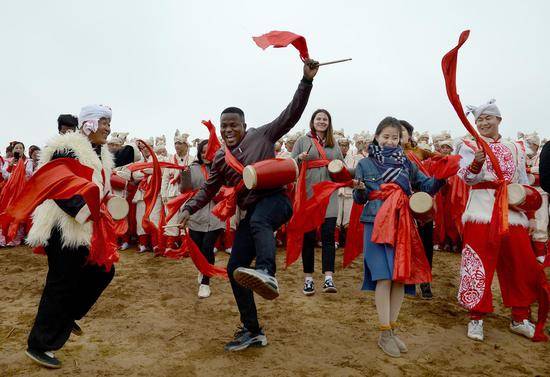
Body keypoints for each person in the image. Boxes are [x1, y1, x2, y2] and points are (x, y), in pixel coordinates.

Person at [179, 58, 319, 351]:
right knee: (234, 268)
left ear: (244, 125)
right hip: (251, 212)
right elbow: (208, 188)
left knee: (258, 222)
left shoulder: (262, 135)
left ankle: (267, 272)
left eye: (234, 125)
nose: (229, 130)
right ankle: (253, 330)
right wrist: (188, 208)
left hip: (276, 202)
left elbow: (291, 114)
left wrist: (306, 81)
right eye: (223, 126)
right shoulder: (219, 159)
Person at [25, 105, 117, 368]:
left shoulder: (101, 155)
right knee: (60, 284)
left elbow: (99, 190)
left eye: (109, 123)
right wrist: (84, 211)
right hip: (62, 227)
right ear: (88, 123)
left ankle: (68, 316)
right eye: (103, 122)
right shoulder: (66, 148)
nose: (108, 128)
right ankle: (40, 345)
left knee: (103, 271)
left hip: (86, 228)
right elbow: (58, 185)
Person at [353, 116, 445, 358]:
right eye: (386, 137)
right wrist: (360, 190)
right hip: (375, 222)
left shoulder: (407, 163)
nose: (390, 141)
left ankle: (391, 330)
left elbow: (427, 186)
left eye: (395, 137)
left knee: (399, 278)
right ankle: (384, 333)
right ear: (376, 136)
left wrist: (446, 172)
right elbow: (360, 199)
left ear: (402, 139)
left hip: (402, 222)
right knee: (384, 277)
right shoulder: (365, 163)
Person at [457, 99, 542, 342]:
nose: (484, 123)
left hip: (512, 212)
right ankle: (476, 318)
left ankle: (520, 316)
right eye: (480, 120)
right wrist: (477, 162)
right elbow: (466, 179)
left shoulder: (516, 147)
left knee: (519, 263)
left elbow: (524, 181)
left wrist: (532, 215)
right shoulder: (469, 145)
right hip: (480, 211)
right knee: (478, 263)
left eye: (488, 118)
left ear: (499, 120)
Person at [292, 109, 343, 295]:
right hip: (308, 195)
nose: (321, 121)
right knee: (309, 238)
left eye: (325, 119)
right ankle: (308, 279)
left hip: (329, 195)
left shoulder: (334, 144)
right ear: (312, 121)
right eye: (318, 118)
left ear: (329, 123)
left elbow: (340, 167)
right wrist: (299, 158)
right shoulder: (302, 141)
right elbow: (291, 166)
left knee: (329, 236)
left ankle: (329, 278)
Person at [180, 140, 225, 298]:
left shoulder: (222, 168)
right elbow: (184, 190)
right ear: (199, 153)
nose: (207, 154)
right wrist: (184, 175)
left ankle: (206, 282)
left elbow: (230, 188)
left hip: (216, 215)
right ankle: (202, 269)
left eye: (210, 150)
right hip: (196, 215)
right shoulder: (193, 168)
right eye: (203, 151)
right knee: (197, 250)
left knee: (207, 247)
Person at [400, 120, 436, 299]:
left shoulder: (421, 152)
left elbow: (438, 162)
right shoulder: (386, 155)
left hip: (421, 203)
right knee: (403, 243)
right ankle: (405, 279)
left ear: (409, 135)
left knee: (425, 243)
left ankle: (425, 281)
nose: (399, 134)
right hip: (400, 205)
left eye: (403, 131)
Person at [162, 130, 194, 251]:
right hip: (172, 193)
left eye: (180, 143)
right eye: (175, 143)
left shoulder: (192, 159)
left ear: (186, 145)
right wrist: (163, 194)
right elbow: (165, 178)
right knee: (171, 218)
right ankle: (170, 244)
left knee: (186, 217)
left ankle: (186, 244)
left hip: (187, 193)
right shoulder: (170, 160)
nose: (177, 146)